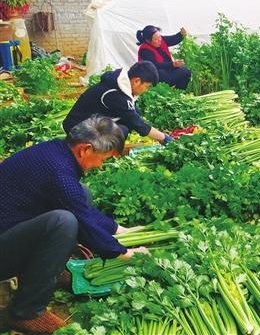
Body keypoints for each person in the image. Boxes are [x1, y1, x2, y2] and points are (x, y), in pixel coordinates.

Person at [0, 116, 148, 333]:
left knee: (82, 194)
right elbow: (82, 220)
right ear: (85, 149)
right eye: (103, 159)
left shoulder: (55, 151)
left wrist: (118, 229)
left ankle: (49, 271)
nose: (100, 165)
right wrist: (126, 254)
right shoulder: (59, 173)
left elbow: (78, 204)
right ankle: (26, 313)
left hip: (12, 230)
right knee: (63, 222)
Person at [63, 61, 174, 145]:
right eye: (147, 86)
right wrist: (164, 138)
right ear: (137, 81)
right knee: (122, 131)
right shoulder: (115, 95)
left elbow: (133, 115)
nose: (146, 90)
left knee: (136, 112)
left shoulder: (118, 82)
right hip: (77, 130)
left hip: (89, 121)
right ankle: (97, 151)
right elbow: (138, 125)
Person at [136, 25, 192, 90]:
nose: (160, 40)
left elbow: (173, 39)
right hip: (153, 77)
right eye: (156, 39)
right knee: (183, 72)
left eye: (159, 36)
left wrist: (181, 33)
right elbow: (154, 66)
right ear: (148, 41)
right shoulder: (145, 50)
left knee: (186, 72)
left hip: (165, 71)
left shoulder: (161, 40)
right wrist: (172, 64)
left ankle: (178, 93)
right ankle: (175, 93)